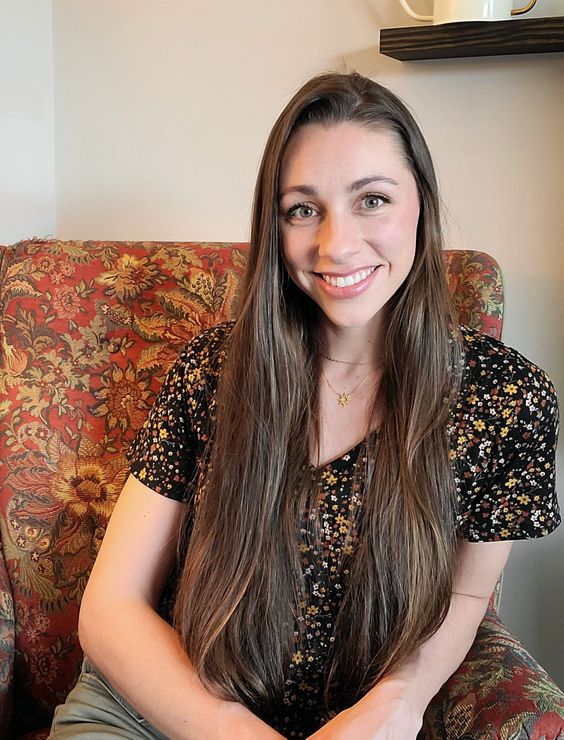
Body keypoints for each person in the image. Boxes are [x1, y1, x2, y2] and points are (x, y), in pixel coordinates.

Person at [49, 71, 560, 739]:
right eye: (302, 209)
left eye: (372, 199)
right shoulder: (211, 371)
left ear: (421, 206)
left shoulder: (507, 399)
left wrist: (402, 698)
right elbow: (110, 606)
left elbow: (466, 596)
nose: (336, 245)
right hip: (159, 710)